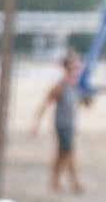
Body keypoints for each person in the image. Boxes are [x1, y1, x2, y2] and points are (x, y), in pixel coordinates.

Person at [33, 51, 89, 193]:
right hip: (62, 124)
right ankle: (74, 182)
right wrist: (36, 125)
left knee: (61, 153)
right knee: (69, 152)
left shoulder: (77, 86)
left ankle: (55, 182)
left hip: (70, 124)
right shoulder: (60, 86)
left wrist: (88, 94)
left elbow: (86, 104)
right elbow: (45, 104)